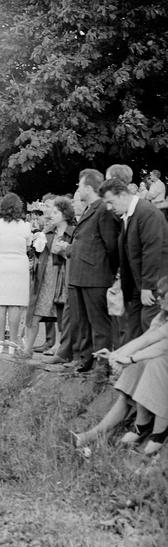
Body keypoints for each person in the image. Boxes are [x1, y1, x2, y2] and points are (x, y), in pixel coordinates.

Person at [71, 276, 168, 457]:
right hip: (159, 360)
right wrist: (116, 355)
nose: (159, 299)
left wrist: (129, 358)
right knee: (137, 368)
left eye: (163, 295)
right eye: (159, 294)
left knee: (152, 364)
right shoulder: (162, 316)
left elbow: (161, 346)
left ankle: (153, 432)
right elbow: (146, 339)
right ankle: (92, 436)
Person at [100, 177, 168, 341]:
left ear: (123, 194)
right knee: (134, 330)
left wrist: (147, 286)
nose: (109, 208)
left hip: (154, 287)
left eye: (111, 202)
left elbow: (152, 252)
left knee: (150, 329)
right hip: (139, 287)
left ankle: (153, 366)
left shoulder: (147, 213)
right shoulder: (129, 215)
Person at [67, 168, 120, 373]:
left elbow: (111, 245)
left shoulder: (103, 210)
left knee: (99, 323)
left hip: (96, 275)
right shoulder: (91, 208)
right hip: (82, 275)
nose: (78, 189)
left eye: (80, 185)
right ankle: (86, 358)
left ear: (88, 187)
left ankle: (102, 364)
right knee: (83, 322)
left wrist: (110, 271)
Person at [23, 197, 75, 357]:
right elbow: (38, 253)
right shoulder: (48, 231)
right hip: (45, 277)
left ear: (64, 214)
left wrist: (64, 251)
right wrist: (37, 242)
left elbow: (75, 256)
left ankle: (60, 348)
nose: (51, 215)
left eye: (55, 212)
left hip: (63, 277)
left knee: (62, 315)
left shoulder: (73, 232)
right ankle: (26, 350)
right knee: (34, 313)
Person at [0, 192, 33, 348]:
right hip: (19, 265)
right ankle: (13, 340)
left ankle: (0, 340)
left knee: (0, 303)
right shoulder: (25, 226)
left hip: (0, 263)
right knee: (15, 303)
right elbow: (28, 245)